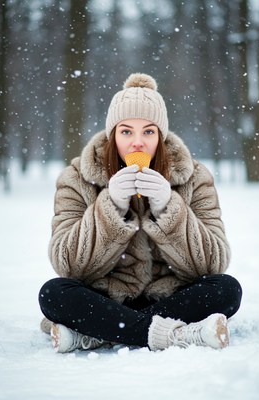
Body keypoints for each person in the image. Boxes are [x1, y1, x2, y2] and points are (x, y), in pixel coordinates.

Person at [39, 73, 242, 353]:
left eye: (148, 131)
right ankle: (174, 335)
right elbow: (67, 264)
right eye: (126, 131)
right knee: (53, 294)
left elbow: (213, 263)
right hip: (106, 298)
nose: (137, 143)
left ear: (160, 136)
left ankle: (102, 333)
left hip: (170, 297)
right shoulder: (76, 178)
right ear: (112, 135)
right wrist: (111, 207)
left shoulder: (194, 177)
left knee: (226, 289)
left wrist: (168, 208)